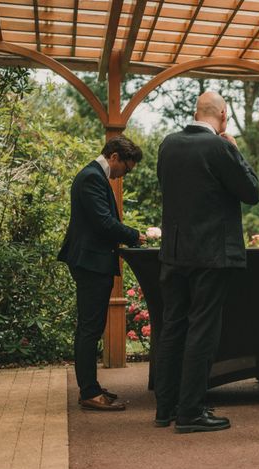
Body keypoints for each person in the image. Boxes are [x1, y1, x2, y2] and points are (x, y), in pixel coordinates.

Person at [154, 91, 259, 434]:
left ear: (195, 112)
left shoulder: (168, 144)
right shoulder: (220, 147)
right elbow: (251, 192)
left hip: (174, 252)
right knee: (202, 330)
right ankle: (191, 411)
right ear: (224, 117)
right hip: (211, 254)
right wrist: (235, 150)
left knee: (172, 327)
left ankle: (165, 407)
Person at [58, 135, 145, 411]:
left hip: (92, 262)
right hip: (91, 263)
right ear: (115, 157)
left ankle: (91, 387)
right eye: (125, 169)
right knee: (89, 328)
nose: (124, 175)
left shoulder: (93, 176)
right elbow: (103, 223)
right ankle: (89, 392)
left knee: (91, 326)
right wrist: (135, 235)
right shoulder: (92, 177)